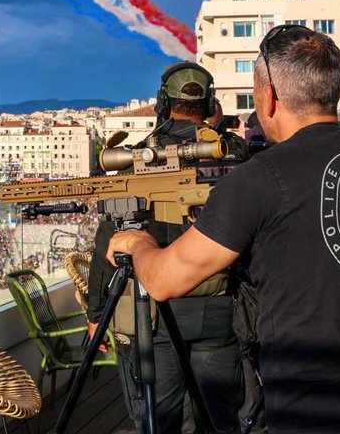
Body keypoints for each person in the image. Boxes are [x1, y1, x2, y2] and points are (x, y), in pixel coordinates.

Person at [107, 25, 340, 433]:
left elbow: (163, 280)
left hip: (311, 414)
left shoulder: (259, 180)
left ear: (268, 95)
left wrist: (137, 243)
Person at [87, 61, 243, 434]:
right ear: (209, 103)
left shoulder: (139, 158)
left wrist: (96, 314)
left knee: (162, 419)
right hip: (221, 305)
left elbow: (109, 243)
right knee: (220, 418)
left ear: (161, 102)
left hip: (153, 311)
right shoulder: (233, 154)